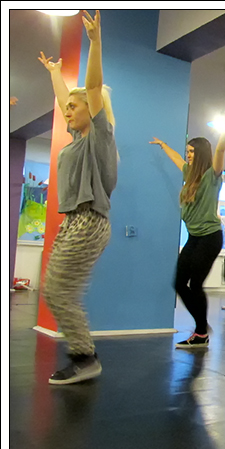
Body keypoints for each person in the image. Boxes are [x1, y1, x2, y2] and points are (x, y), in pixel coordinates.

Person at [38, 10, 117, 385]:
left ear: (92, 109)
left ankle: (85, 357)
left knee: (58, 290)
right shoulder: (76, 139)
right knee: (54, 290)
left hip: (90, 219)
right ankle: (84, 355)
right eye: (67, 107)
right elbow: (64, 101)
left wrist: (95, 43)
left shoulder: (99, 139)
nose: (67, 110)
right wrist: (55, 73)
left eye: (75, 105)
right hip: (74, 221)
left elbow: (93, 86)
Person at [150, 107, 225, 349]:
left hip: (210, 237)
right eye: (187, 151)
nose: (188, 155)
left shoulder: (212, 176)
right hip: (194, 237)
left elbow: (220, 150)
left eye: (192, 151)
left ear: (201, 153)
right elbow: (177, 159)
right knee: (179, 283)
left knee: (195, 284)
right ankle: (202, 326)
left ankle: (201, 333)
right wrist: (164, 145)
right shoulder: (189, 174)